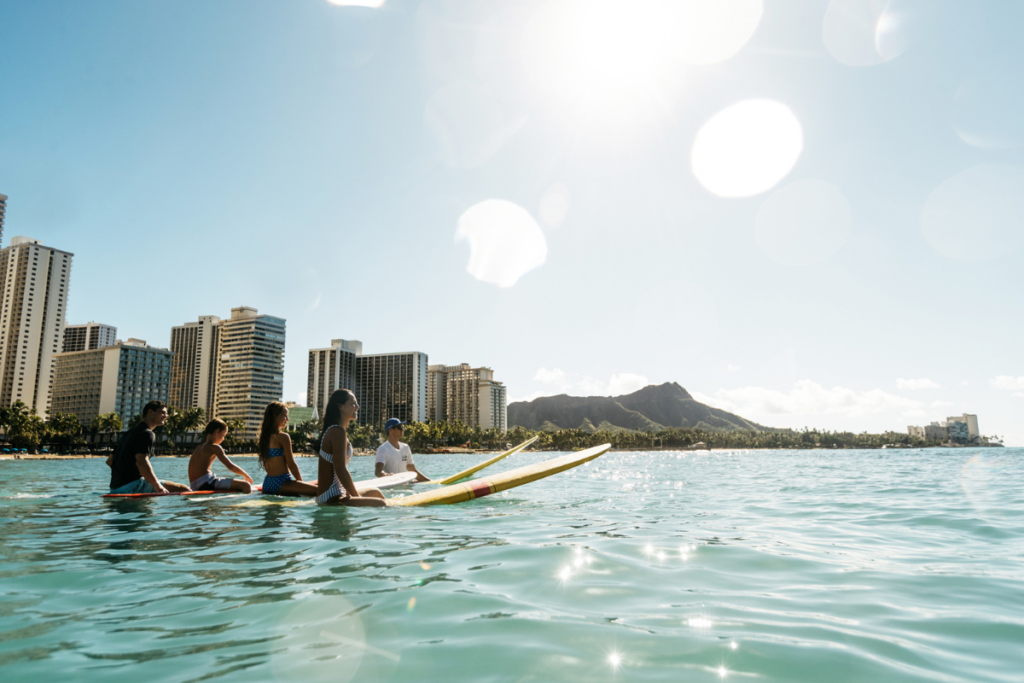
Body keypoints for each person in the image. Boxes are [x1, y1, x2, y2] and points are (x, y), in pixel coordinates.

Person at [316, 389, 386, 507]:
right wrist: (355, 497)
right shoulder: (336, 431)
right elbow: (341, 470)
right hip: (330, 498)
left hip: (340, 493)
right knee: (380, 503)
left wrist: (350, 492)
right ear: (340, 406)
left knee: (376, 492)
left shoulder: (339, 431)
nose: (357, 407)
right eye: (353, 403)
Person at [108, 401, 190, 494]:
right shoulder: (147, 433)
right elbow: (142, 462)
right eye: (163, 412)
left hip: (115, 488)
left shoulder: (128, 433)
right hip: (133, 486)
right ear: (150, 412)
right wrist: (157, 486)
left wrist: (124, 475)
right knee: (185, 490)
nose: (166, 416)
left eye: (166, 413)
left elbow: (110, 461)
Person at [258, 402, 318, 496]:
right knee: (322, 492)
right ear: (275, 416)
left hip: (267, 483)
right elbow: (291, 464)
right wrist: (301, 484)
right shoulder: (283, 437)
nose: (287, 419)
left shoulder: (264, 438)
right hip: (281, 482)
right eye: (285, 416)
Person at [187, 418, 253, 493]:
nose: (223, 439)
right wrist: (246, 475)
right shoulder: (214, 447)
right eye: (223, 435)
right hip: (206, 483)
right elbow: (231, 466)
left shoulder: (198, 447)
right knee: (246, 485)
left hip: (194, 486)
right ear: (217, 431)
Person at [375, 418, 430, 482]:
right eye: (399, 427)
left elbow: (412, 470)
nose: (402, 429)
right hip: (391, 488)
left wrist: (429, 481)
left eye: (402, 427)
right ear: (391, 430)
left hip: (404, 486)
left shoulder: (405, 447)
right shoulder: (383, 449)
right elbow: (378, 472)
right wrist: (386, 475)